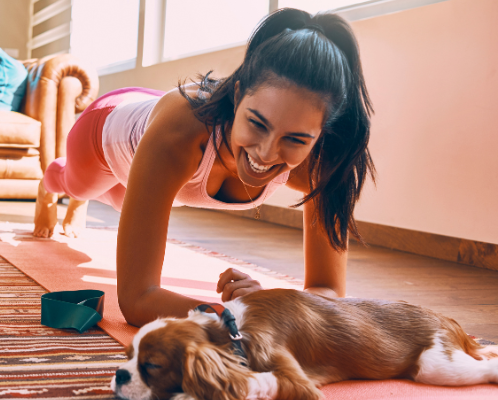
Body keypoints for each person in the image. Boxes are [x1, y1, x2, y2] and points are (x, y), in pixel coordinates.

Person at [34, 9, 375, 327]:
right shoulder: (179, 135)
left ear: (320, 134)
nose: (267, 154)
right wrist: (236, 316)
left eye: (296, 139)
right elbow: (136, 300)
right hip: (106, 132)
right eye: (257, 123)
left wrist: (271, 304)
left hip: (164, 156)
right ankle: (49, 187)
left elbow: (328, 291)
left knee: (121, 200)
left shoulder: (323, 163)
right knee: (76, 185)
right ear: (238, 94)